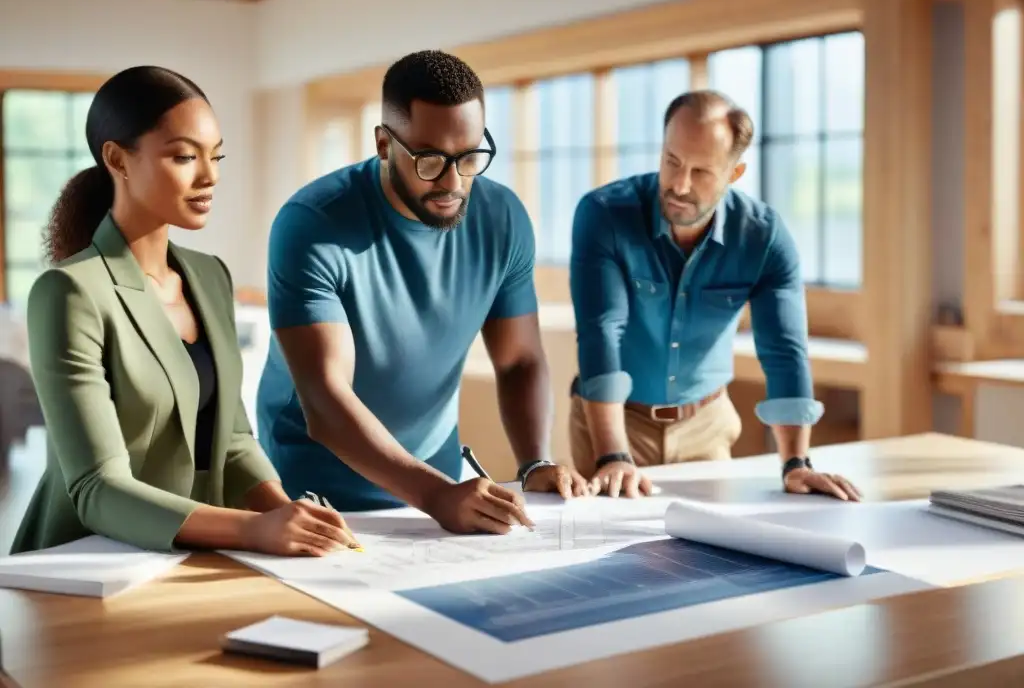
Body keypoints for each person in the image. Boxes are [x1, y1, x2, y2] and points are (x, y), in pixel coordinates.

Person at [11, 66, 357, 556]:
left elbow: (233, 441)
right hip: (87, 564)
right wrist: (252, 530)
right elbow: (97, 488)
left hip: (197, 558)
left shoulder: (210, 277)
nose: (209, 176)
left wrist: (284, 513)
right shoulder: (68, 293)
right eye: (183, 156)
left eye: (216, 157)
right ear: (117, 159)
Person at [258, 49, 589, 534]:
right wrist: (435, 495)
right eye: (430, 160)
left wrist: (533, 463)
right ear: (384, 145)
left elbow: (519, 360)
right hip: (313, 493)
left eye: (471, 156)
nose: (454, 182)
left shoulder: (503, 219)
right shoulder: (311, 224)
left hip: (437, 488)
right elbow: (326, 400)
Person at [568, 90, 861, 502]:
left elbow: (784, 350)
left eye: (702, 171)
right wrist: (613, 454)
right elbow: (601, 331)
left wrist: (796, 462)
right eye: (672, 161)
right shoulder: (603, 215)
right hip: (614, 423)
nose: (679, 185)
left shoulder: (764, 237)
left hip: (706, 425)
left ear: (734, 173)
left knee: (708, 557)